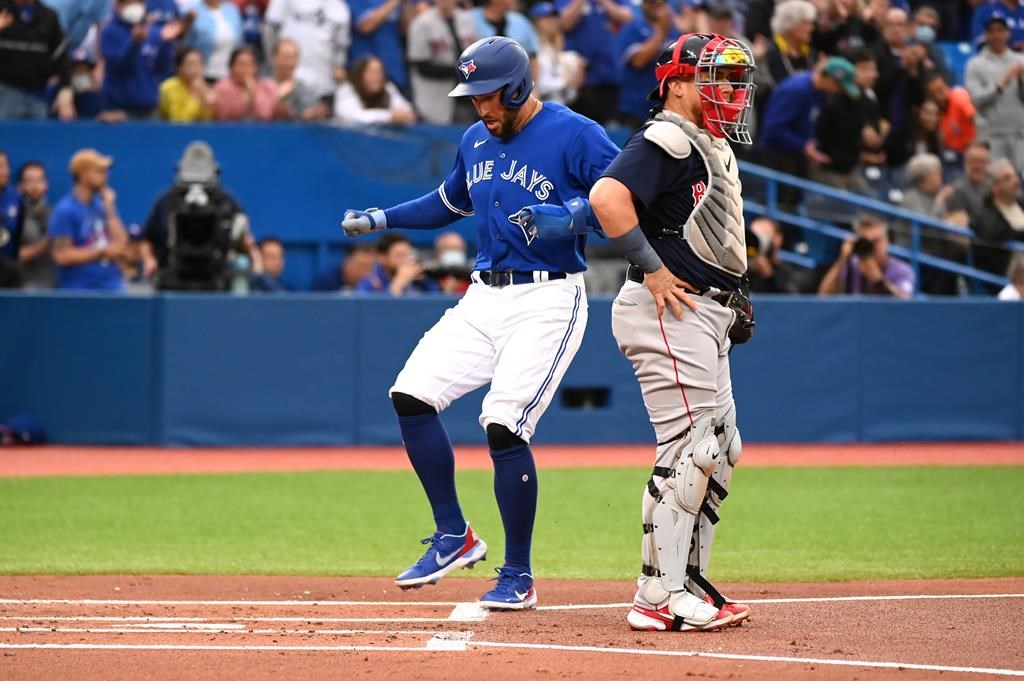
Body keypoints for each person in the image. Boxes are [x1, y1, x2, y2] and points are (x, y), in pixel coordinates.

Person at [341, 36, 619, 610]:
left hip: (548, 298)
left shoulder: (576, 133)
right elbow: (448, 202)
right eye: (473, 98)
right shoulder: (475, 138)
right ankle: (453, 535)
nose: (482, 108)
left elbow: (627, 195)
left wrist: (573, 215)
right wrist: (382, 218)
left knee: (503, 425)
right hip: (483, 295)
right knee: (410, 395)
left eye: (489, 97)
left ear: (517, 87)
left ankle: (518, 573)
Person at [583, 33, 756, 633]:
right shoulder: (667, 135)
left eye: (736, 80)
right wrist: (654, 270)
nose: (732, 91)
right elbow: (607, 198)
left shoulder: (705, 143)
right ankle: (657, 594)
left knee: (720, 449)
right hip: (669, 310)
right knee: (688, 448)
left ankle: (689, 580)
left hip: (704, 312)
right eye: (718, 77)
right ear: (678, 83)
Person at [49, 149, 127, 291]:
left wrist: (110, 209)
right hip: (80, 290)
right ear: (83, 174)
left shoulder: (102, 206)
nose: (106, 175)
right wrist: (101, 252)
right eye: (100, 171)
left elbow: (121, 244)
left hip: (112, 287)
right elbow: (61, 256)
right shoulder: (65, 210)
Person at [100, 0, 181, 118]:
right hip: (119, 110)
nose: (134, 6)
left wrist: (166, 44)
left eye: (138, 2)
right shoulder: (110, 32)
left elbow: (162, 69)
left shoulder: (153, 32)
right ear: (118, 6)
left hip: (149, 108)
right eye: (129, 3)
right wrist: (134, 44)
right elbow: (117, 66)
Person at [556, 0, 634, 124]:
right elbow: (564, 23)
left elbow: (629, 17)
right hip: (579, 76)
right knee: (578, 125)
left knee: (611, 128)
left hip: (609, 73)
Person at [965, 14, 1024, 172]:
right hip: (991, 136)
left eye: (1000, 30)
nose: (996, 35)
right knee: (994, 180)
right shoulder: (975, 64)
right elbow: (976, 100)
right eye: (992, 31)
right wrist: (1001, 83)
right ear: (986, 35)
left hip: (1019, 134)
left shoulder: (1020, 61)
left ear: (1008, 33)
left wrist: (1021, 81)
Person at [0, 0, 75, 120]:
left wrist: (66, 88)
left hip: (38, 95)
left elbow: (60, 55)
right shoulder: (2, 11)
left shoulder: (48, 16)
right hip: (6, 94)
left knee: (37, 136)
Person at [263, 0, 350, 102]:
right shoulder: (282, 2)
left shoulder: (339, 7)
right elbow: (270, 32)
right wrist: (273, 63)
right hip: (288, 80)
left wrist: (338, 66)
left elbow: (340, 46)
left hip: (324, 82)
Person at [406, 0, 475, 124]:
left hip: (466, 97)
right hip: (435, 96)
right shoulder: (422, 24)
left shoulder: (466, 19)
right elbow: (421, 67)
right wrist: (458, 70)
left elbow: (478, 52)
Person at [818, 213, 914, 297]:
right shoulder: (852, 265)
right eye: (866, 242)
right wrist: (842, 259)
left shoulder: (902, 270)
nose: (872, 247)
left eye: (875, 241)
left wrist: (878, 280)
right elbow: (824, 295)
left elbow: (904, 305)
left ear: (887, 242)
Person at [616, 0, 680, 127]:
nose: (657, 7)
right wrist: (661, 32)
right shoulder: (632, 28)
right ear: (644, 5)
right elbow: (639, 61)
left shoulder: (674, 31)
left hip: (666, 108)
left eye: (661, 4)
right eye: (652, 3)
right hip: (637, 107)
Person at [973, 159, 1024, 276]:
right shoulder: (984, 214)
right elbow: (997, 233)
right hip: (1005, 273)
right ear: (994, 187)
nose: (1016, 181)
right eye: (1007, 178)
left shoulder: (1021, 203)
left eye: (1014, 175)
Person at [333, 55, 416, 125]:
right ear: (360, 74)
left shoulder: (387, 87)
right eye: (372, 72)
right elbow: (354, 116)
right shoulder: (346, 89)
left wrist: (404, 115)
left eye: (380, 72)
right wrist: (389, 116)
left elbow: (405, 108)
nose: (377, 77)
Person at [356, 231, 440, 294]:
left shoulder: (420, 280)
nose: (406, 260)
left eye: (408, 254)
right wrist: (399, 283)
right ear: (382, 257)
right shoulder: (369, 283)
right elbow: (376, 312)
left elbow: (435, 301)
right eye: (399, 255)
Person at [181, 0, 243, 82]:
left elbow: (240, 41)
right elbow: (185, 42)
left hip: (231, 74)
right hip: (204, 73)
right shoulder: (190, 10)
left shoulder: (232, 10)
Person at [269, 38, 330, 121]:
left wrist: (313, 114)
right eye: (286, 57)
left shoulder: (304, 89)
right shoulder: (262, 85)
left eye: (293, 58)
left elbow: (313, 111)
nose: (289, 62)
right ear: (274, 58)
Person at [15, 161, 55, 289]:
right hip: (24, 286)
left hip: (54, 286)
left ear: (46, 184)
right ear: (20, 185)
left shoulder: (56, 213)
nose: (35, 186)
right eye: (30, 181)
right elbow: (10, 257)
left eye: (39, 180)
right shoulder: (12, 216)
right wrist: (44, 244)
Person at [212, 45, 277, 120]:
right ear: (232, 67)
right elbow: (223, 115)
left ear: (256, 67)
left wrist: (253, 96)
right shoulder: (222, 87)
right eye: (241, 65)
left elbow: (265, 114)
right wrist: (246, 99)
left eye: (249, 65)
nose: (245, 69)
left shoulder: (267, 86)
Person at [159, 46, 215, 121]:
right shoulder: (169, 87)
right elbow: (179, 121)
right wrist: (195, 96)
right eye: (191, 64)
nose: (196, 68)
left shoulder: (202, 85)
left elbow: (207, 120)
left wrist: (205, 100)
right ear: (179, 67)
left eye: (199, 63)